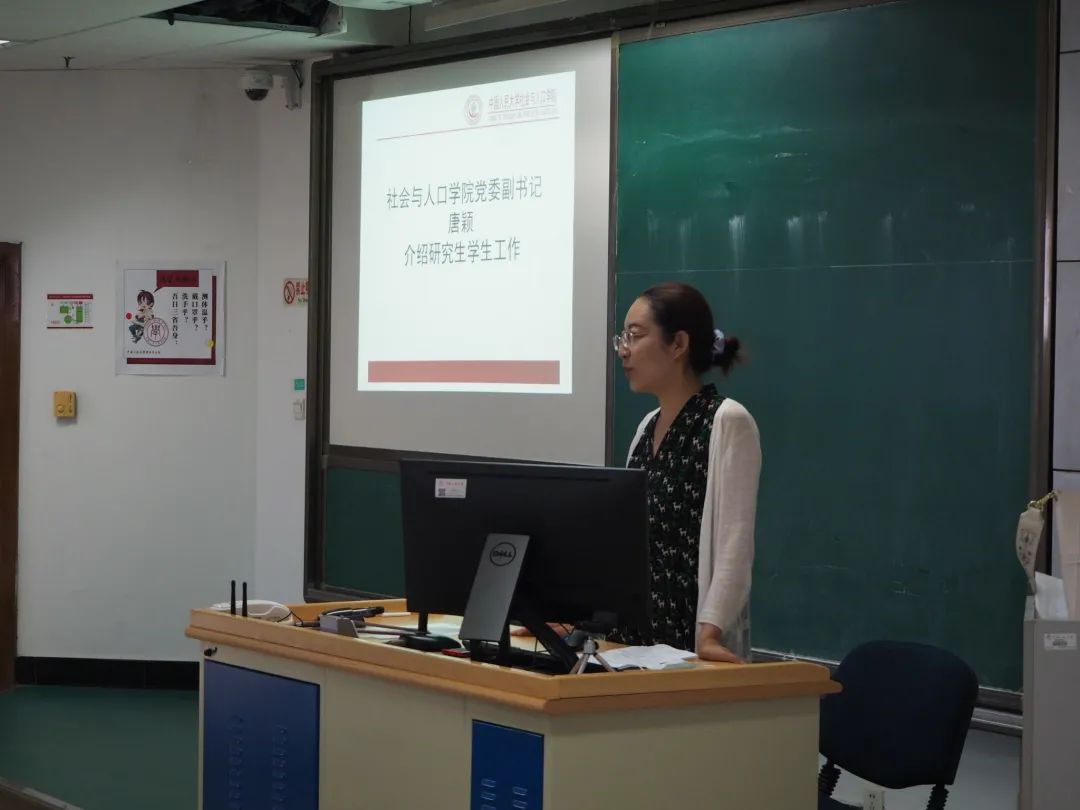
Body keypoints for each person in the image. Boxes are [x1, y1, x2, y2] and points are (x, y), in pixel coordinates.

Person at [610, 282, 761, 663]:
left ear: (677, 344)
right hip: (629, 643)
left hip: (686, 646)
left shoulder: (727, 421)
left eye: (635, 336)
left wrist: (710, 634)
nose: (624, 350)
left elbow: (735, 543)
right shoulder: (646, 427)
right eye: (623, 338)